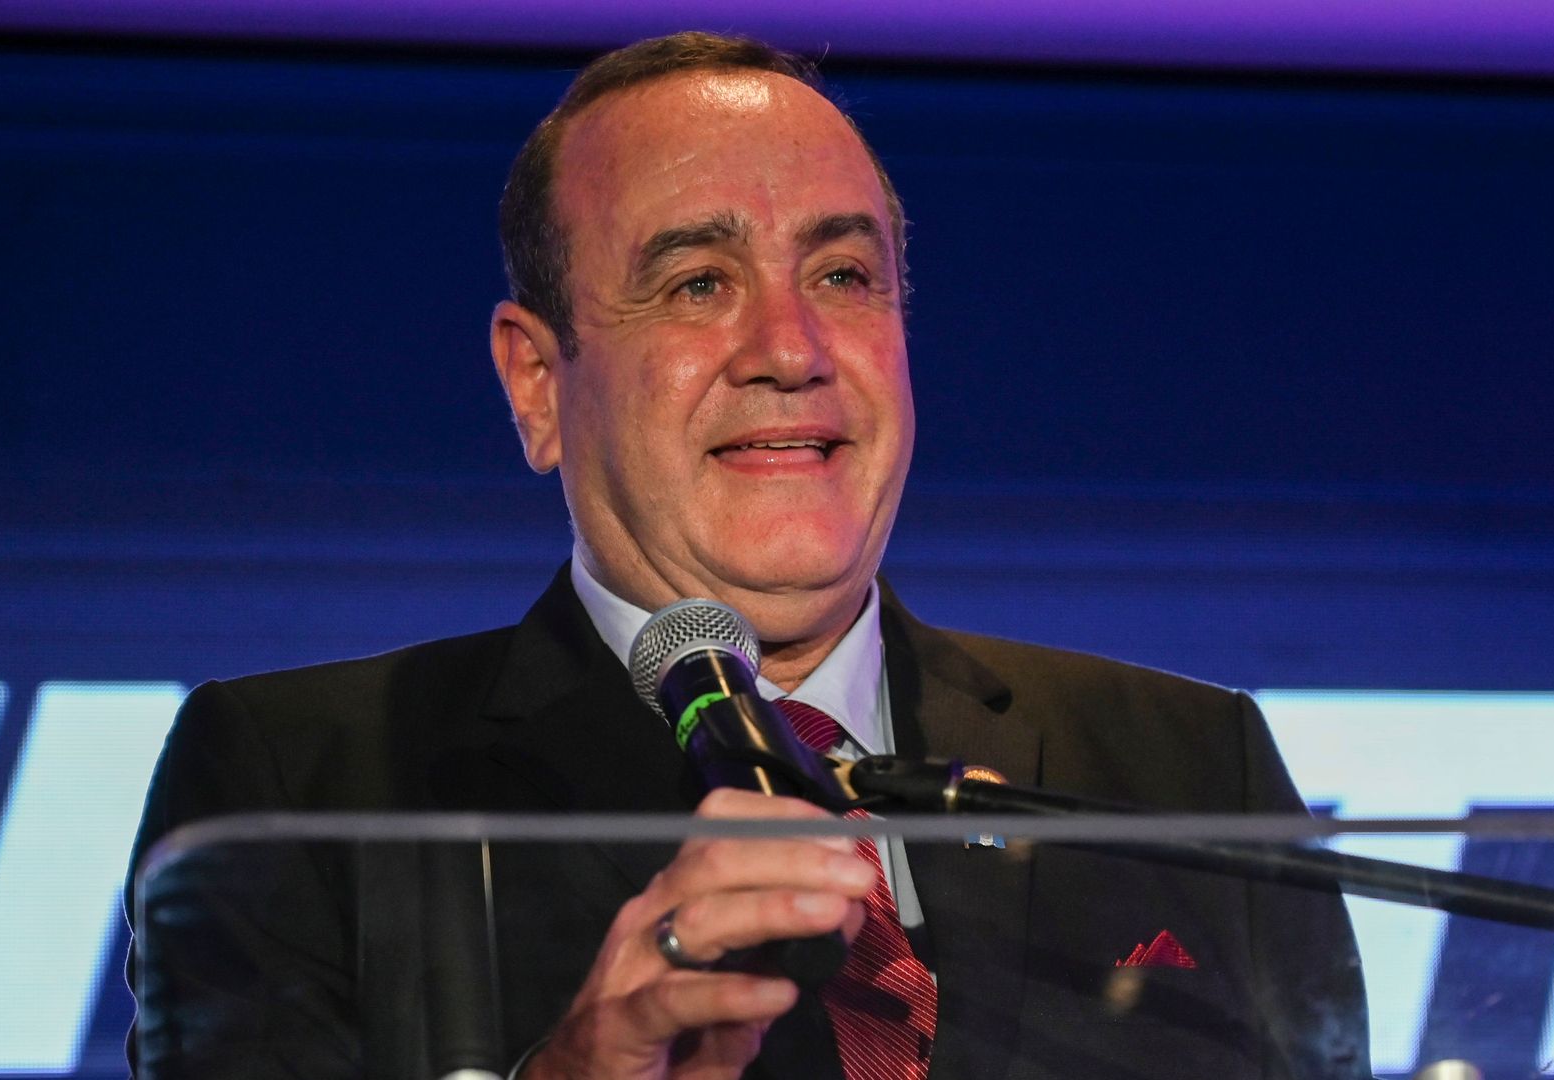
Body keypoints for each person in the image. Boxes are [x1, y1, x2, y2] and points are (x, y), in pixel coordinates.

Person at [126, 31, 1370, 1080]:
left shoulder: (1188, 766)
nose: (792, 346)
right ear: (537, 385)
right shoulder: (301, 788)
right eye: (695, 284)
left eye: (842, 274)